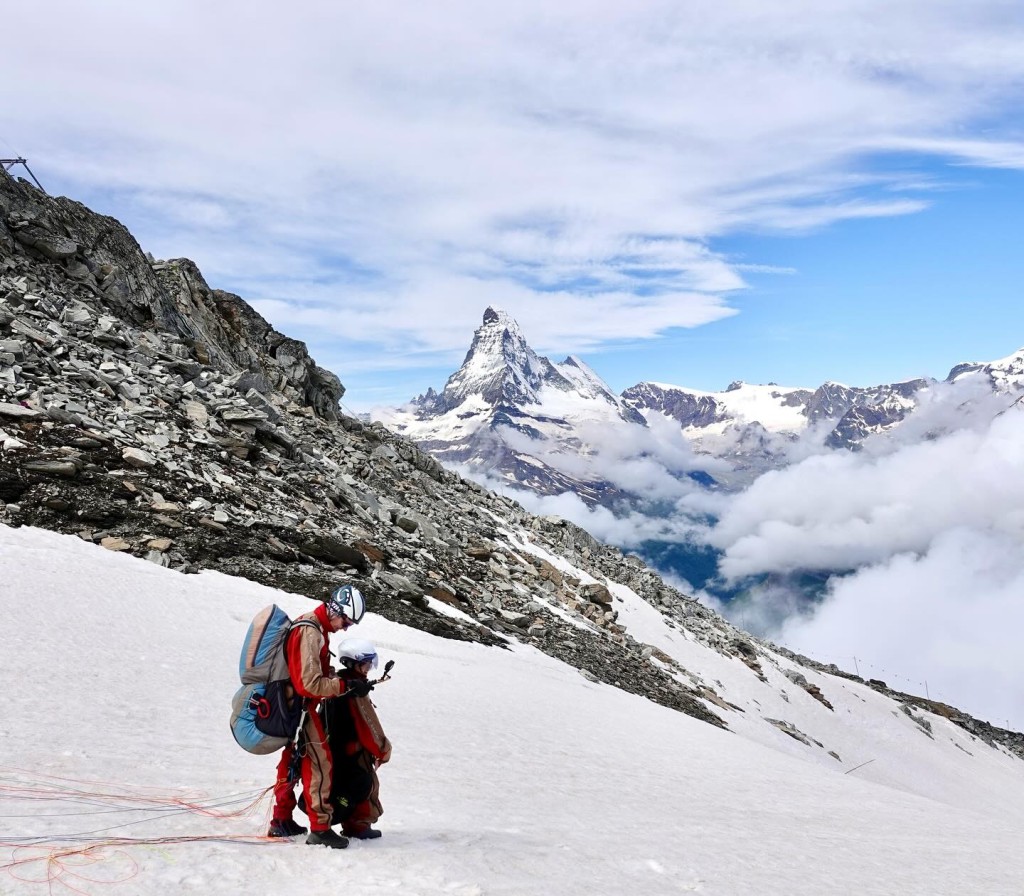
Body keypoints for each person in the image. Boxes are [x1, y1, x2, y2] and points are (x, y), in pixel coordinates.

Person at [267, 584, 370, 849]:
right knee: (319, 765)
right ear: (336, 610)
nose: (346, 628)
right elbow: (308, 684)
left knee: (290, 763)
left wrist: (334, 679)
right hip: (301, 708)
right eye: (346, 621)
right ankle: (320, 828)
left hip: (291, 708)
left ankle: (281, 819)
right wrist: (345, 686)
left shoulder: (313, 628)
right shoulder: (309, 632)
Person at [319, 638, 393, 840]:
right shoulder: (355, 690)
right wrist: (383, 750)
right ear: (355, 663)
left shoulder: (338, 683)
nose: (369, 667)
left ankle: (350, 823)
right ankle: (358, 826)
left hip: (336, 748)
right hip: (354, 749)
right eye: (367, 663)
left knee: (345, 784)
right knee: (367, 785)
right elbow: (368, 725)